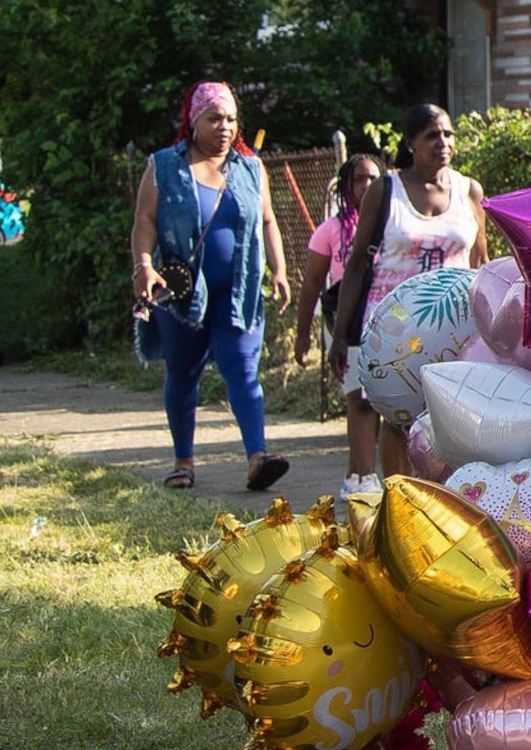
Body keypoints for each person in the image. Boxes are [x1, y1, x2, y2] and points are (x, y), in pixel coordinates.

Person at [128, 82, 293, 492]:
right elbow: (145, 220)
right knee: (183, 372)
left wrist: (279, 270)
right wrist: (143, 266)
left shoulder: (251, 168)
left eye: (231, 119)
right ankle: (183, 461)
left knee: (242, 368)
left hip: (238, 289)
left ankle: (257, 457)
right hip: (183, 292)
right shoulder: (164, 166)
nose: (224, 127)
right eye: (214, 118)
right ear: (193, 119)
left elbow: (268, 220)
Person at [329, 105, 485, 496]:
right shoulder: (386, 190)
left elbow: (481, 262)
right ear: (410, 143)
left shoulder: (469, 191)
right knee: (397, 420)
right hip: (393, 329)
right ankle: (402, 499)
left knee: (454, 419)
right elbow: (357, 265)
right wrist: (340, 335)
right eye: (432, 135)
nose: (443, 143)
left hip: (455, 328)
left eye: (448, 134)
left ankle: (449, 500)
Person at [291, 154, 385, 377]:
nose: (366, 186)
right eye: (358, 180)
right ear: (346, 186)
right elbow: (312, 282)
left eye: (373, 178)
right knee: (357, 397)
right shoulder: (330, 230)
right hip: (349, 320)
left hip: (389, 320)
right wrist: (303, 333)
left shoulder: (396, 226)